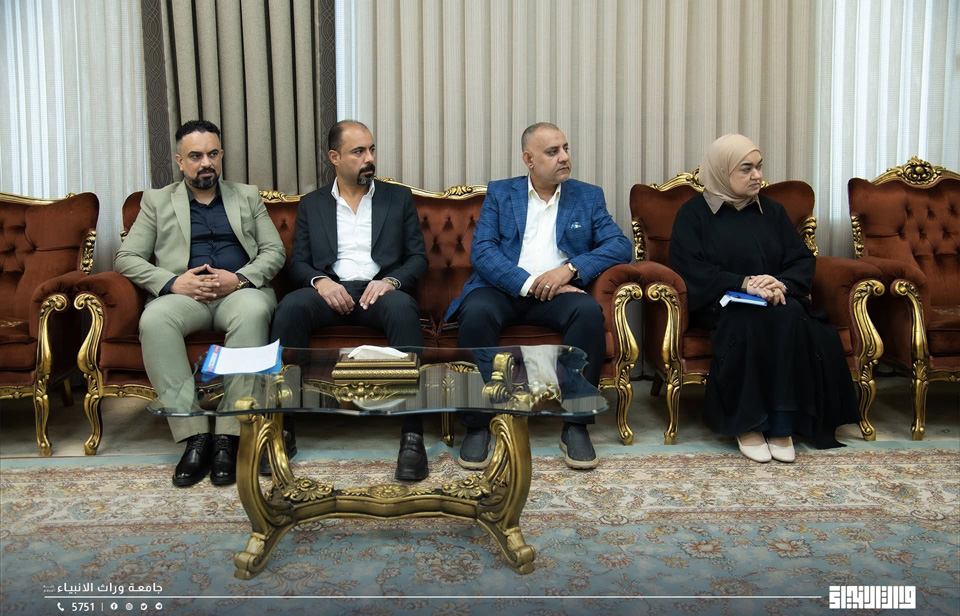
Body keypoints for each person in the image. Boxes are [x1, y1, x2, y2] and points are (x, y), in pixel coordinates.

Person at [446, 122, 632, 470]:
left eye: (566, 148)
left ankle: (575, 425)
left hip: (560, 294)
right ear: (528, 159)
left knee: (587, 312)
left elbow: (620, 245)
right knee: (477, 312)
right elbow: (483, 252)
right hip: (503, 289)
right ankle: (478, 425)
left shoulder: (588, 196)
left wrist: (570, 270)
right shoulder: (501, 193)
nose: (564, 157)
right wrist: (531, 283)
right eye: (553, 152)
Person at [115, 119, 286, 487]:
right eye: (195, 156)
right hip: (184, 297)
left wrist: (240, 278)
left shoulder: (247, 196)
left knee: (254, 312)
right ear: (180, 161)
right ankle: (194, 435)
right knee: (155, 321)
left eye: (212, 154)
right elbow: (126, 258)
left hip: (238, 293)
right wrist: (172, 282)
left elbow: (274, 251)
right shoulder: (156, 201)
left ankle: (228, 436)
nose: (205, 163)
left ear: (221, 155)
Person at [669, 133, 858, 463]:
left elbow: (801, 259)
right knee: (746, 321)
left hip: (775, 298)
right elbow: (690, 268)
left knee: (791, 316)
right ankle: (749, 424)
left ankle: (782, 424)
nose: (757, 176)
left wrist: (779, 283)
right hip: (722, 301)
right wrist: (743, 284)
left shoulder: (772, 211)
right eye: (746, 169)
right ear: (722, 171)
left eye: (759, 167)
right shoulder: (693, 215)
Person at [270, 120, 429, 481]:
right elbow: (299, 263)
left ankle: (412, 434)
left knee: (403, 309)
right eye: (358, 152)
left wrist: (390, 281)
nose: (369, 158)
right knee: (290, 308)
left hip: (378, 293)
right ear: (335, 157)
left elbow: (418, 258)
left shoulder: (397, 198)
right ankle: (282, 427)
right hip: (331, 292)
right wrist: (321, 281)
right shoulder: (312, 204)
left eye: (371, 150)